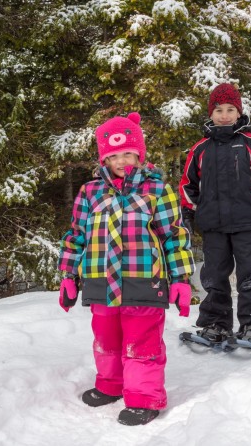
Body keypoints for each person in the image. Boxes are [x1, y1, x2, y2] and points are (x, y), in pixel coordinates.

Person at [57, 112, 195, 426]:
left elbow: (173, 235)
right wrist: (68, 275)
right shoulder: (90, 192)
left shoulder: (158, 189)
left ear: (140, 153)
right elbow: (76, 235)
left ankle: (144, 398)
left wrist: (181, 278)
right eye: (114, 155)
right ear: (104, 158)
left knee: (141, 342)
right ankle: (110, 384)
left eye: (128, 153)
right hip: (99, 280)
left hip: (144, 280)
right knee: (105, 339)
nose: (121, 160)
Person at [178, 83, 251, 346]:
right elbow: (188, 185)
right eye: (219, 110)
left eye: (230, 109)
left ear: (239, 113)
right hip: (213, 225)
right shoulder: (200, 148)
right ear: (211, 113)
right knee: (214, 276)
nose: (224, 115)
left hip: (248, 223)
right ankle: (216, 324)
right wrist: (190, 213)